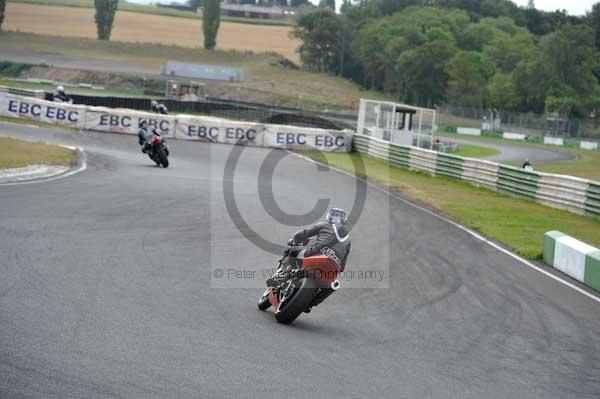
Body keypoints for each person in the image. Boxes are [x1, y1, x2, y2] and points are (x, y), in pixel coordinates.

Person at [267, 208, 351, 288]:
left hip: (319, 253)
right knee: (330, 286)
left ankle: (281, 276)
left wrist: (294, 242)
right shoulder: (347, 239)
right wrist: (339, 268)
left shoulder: (324, 225)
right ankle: (316, 298)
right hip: (335, 265)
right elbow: (343, 264)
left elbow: (301, 234)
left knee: (293, 251)